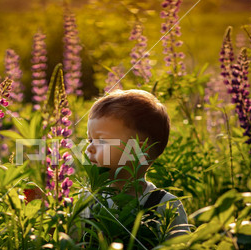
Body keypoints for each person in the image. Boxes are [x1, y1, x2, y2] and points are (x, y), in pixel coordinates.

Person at [81, 89, 190, 239]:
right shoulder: (86, 200)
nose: (89, 148)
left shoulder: (165, 205)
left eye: (101, 141)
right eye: (90, 140)